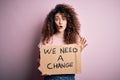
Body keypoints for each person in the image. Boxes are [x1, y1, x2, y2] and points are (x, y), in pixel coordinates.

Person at [38, 4, 87, 80]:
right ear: (52, 22)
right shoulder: (46, 39)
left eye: (63, 18)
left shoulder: (74, 38)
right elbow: (39, 58)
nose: (60, 22)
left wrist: (79, 50)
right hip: (51, 78)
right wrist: (43, 68)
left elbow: (71, 61)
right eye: (57, 19)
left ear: (68, 21)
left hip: (69, 77)